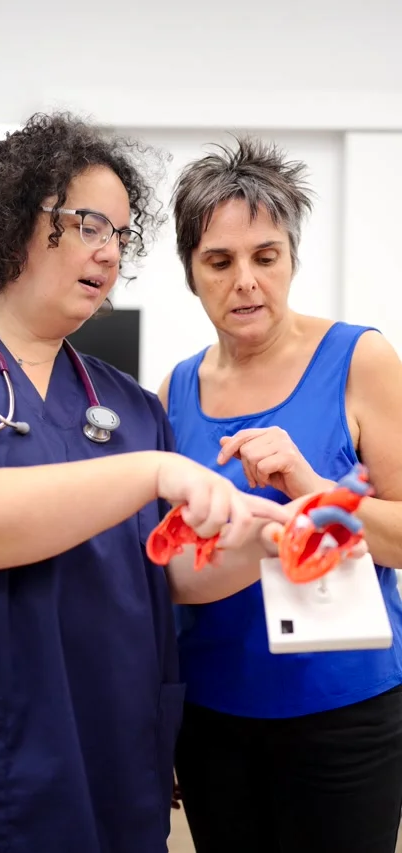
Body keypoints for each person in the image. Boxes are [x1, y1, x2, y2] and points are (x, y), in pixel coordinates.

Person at [0, 115, 291, 853]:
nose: (110, 251)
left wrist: (262, 543)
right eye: (90, 224)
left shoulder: (130, 406)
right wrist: (152, 472)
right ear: (14, 221)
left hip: (115, 744)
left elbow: (166, 571)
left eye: (121, 234)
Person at [160, 136, 402, 853]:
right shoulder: (175, 389)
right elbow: (167, 565)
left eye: (265, 256)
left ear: (291, 258)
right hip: (212, 713)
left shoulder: (359, 358)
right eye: (219, 261)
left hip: (345, 710)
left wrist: (315, 490)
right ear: (191, 272)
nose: (246, 281)